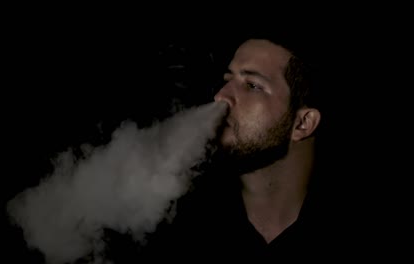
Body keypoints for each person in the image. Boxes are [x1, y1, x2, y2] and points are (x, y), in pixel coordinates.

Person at [136, 31, 343, 262]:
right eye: (227, 81)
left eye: (252, 85)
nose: (220, 96)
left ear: (303, 123)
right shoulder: (180, 227)